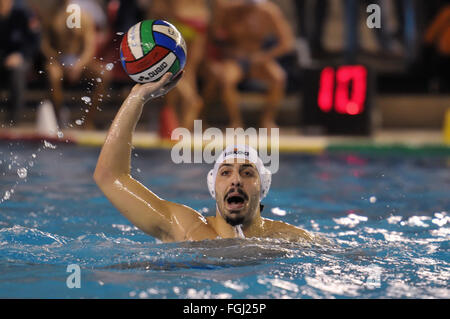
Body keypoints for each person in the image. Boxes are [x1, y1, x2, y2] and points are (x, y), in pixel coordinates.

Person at [93, 72, 314, 243]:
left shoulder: (289, 238)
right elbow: (109, 176)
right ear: (213, 186)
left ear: (263, 187)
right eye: (225, 172)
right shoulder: (184, 228)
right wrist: (137, 98)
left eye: (247, 173)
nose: (235, 180)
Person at [207, 0, 295, 129]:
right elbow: (215, 36)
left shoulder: (268, 11)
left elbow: (287, 42)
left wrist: (264, 57)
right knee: (226, 80)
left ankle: (267, 121)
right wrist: (220, 12)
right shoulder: (229, 11)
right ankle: (236, 122)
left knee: (279, 78)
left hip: (258, 57)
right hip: (235, 58)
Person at [40, 0, 110, 129]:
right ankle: (59, 120)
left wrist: (79, 65)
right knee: (53, 74)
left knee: (104, 74)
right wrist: (55, 58)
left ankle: (88, 121)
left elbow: (89, 47)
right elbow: (45, 44)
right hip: (58, 61)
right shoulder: (51, 16)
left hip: (79, 63)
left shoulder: (84, 16)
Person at [149, 0, 209, 135]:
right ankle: (183, 129)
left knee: (171, 68)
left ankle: (191, 99)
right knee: (190, 71)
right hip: (200, 20)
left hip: (180, 20)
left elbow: (158, 8)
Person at [0, 0, 40, 125]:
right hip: (2, 59)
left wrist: (21, 55)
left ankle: (14, 119)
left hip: (21, 58)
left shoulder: (24, 12)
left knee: (17, 72)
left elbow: (34, 41)